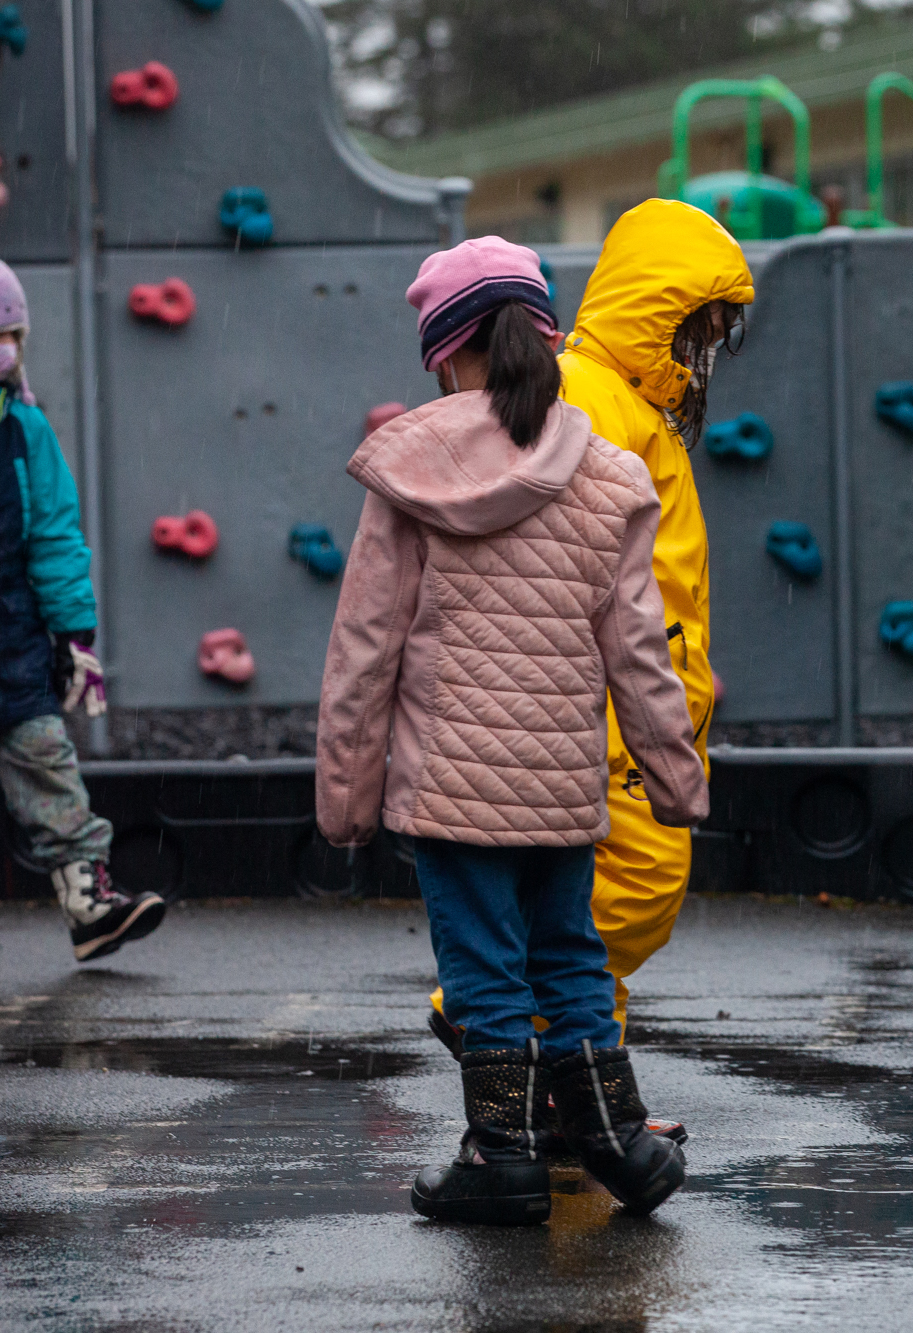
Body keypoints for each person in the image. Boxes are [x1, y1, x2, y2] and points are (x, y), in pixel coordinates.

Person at [316, 236, 709, 1226]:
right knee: (569, 952)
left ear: (445, 353)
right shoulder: (608, 472)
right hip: (564, 784)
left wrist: (346, 797)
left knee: (484, 964)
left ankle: (500, 1155)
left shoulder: (411, 469)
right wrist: (674, 777)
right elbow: (638, 648)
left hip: (451, 788)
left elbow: (366, 649)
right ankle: (618, 1143)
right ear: (544, 335)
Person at [426, 200, 750, 1126]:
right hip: (604, 702)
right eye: (701, 330)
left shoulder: (622, 400)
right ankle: (511, 1029)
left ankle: (585, 1089)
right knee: (629, 888)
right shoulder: (594, 395)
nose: (706, 354)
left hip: (637, 690)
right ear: (662, 314)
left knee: (611, 897)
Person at [0, 223, 155, 968]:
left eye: (14, 332)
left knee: (49, 770)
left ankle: (91, 901)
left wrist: (74, 635)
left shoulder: (27, 428)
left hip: (9, 645)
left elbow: (55, 535)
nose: (7, 348)